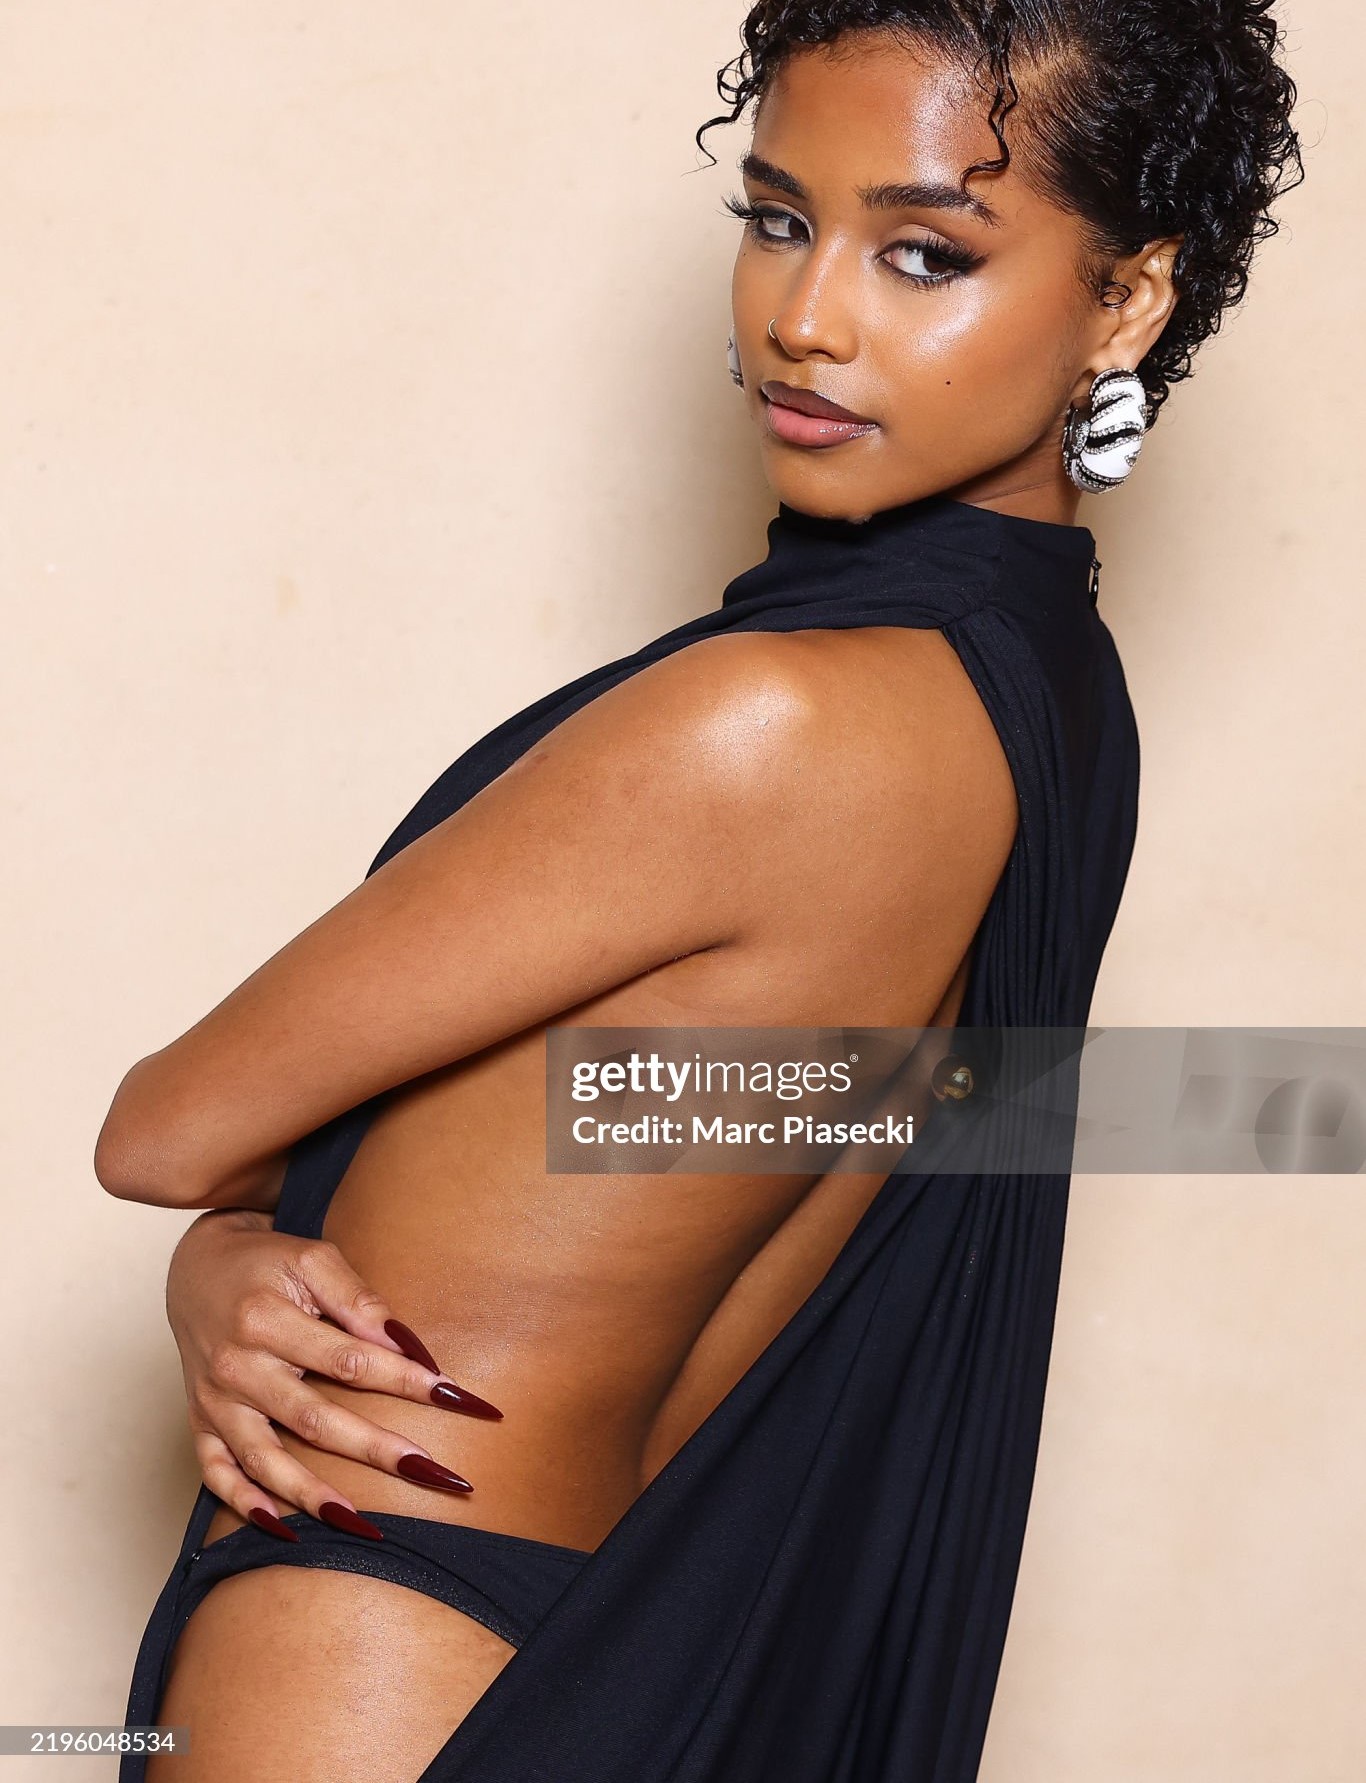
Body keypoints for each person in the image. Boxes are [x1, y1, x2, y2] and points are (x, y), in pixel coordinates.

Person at [101, 4, 1302, 1779]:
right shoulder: (1050, 713)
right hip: (658, 1656)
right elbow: (728, 1115)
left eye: (923, 253)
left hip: (375, 1622)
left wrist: (220, 1249)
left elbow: (163, 1132)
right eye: (774, 219)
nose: (804, 317)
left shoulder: (764, 723)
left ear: (1123, 300)